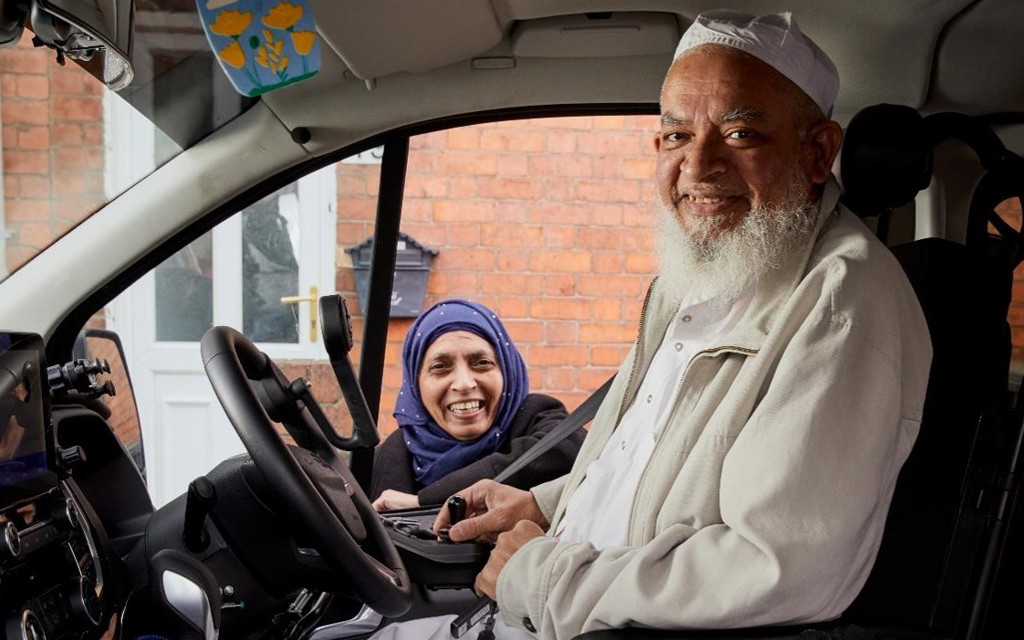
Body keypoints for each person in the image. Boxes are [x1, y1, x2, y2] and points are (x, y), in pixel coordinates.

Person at [372, 8, 933, 640]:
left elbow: (775, 566)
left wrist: (539, 576)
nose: (698, 166)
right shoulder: (699, 276)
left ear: (817, 152)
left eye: (741, 134)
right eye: (675, 136)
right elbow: (645, 474)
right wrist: (538, 505)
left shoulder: (840, 301)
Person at [369, 298, 584, 511]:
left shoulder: (537, 417)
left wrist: (424, 502)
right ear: (415, 384)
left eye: (482, 363)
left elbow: (570, 451)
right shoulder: (377, 465)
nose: (464, 384)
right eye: (440, 366)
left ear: (507, 371)